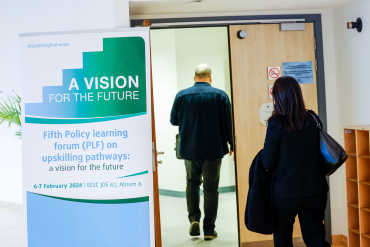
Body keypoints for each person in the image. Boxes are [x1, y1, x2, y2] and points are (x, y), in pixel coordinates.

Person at [261, 76, 330, 247]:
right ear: (298, 94)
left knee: (283, 240)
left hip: (285, 194)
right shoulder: (313, 119)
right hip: (315, 190)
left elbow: (267, 162)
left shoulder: (276, 123)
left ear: (277, 97)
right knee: (315, 239)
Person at [170, 64, 233, 241]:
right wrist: (232, 144)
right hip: (213, 149)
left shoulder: (182, 95)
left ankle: (194, 219)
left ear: (194, 77)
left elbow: (173, 120)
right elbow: (228, 124)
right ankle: (209, 229)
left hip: (189, 149)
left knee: (192, 183)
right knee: (211, 188)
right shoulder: (220, 95)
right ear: (210, 77)